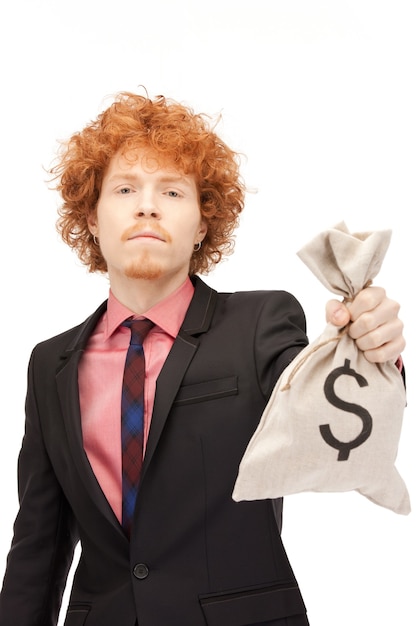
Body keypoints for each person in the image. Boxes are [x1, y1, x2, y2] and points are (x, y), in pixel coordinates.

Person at [0, 92, 405, 626]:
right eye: (124, 189)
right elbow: (39, 544)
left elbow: (324, 414)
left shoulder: (261, 324)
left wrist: (375, 354)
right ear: (93, 218)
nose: (147, 205)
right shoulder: (49, 363)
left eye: (172, 191)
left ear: (201, 225)